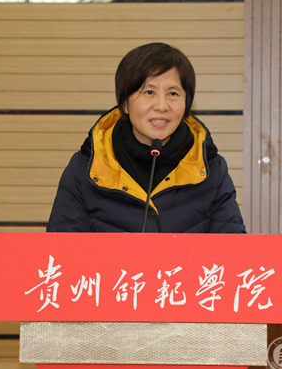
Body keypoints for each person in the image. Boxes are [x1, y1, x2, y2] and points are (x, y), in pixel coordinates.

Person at [46, 43, 245, 233]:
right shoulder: (86, 168)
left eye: (173, 93)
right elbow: (61, 250)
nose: (161, 106)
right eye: (149, 92)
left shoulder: (210, 169)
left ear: (186, 104)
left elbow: (232, 250)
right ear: (125, 104)